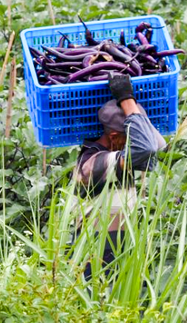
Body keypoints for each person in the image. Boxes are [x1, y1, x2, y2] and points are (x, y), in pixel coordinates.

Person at [70, 72, 166, 281]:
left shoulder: (118, 156)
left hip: (117, 248)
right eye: (129, 138)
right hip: (95, 253)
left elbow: (156, 146)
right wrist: (126, 100)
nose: (133, 142)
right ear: (114, 137)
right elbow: (146, 148)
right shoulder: (93, 165)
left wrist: (134, 110)